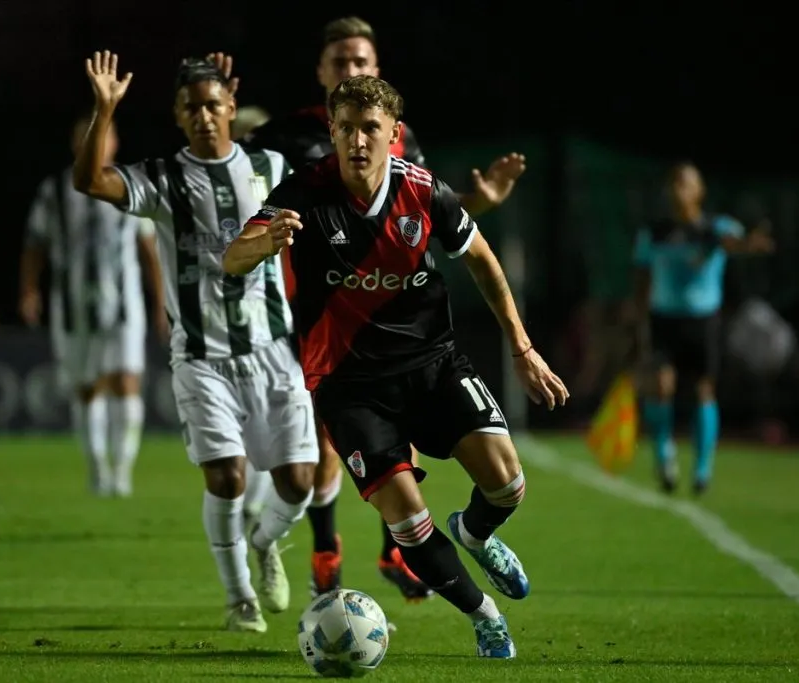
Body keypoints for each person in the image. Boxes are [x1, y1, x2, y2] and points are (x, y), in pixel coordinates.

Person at [224, 75, 568, 658]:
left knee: (508, 483)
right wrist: (264, 243)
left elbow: (482, 261)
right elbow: (234, 256)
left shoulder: (425, 191)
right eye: (346, 129)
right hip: (350, 385)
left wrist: (522, 347)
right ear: (331, 132)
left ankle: (475, 533)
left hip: (432, 365)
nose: (358, 140)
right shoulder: (302, 193)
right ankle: (484, 616)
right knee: (406, 517)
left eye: (370, 129)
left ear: (393, 135)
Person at [72, 51, 318, 633]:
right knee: (227, 476)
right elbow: (89, 180)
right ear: (178, 117)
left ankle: (264, 544)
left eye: (213, 104)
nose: (204, 115)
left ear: (231, 107)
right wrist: (105, 111)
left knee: (298, 483)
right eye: (192, 108)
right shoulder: (161, 177)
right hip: (202, 357)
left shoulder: (273, 166)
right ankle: (240, 601)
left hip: (274, 350)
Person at [21, 112, 165, 497]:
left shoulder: (129, 185)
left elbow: (148, 249)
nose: (95, 143)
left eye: (103, 136)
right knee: (88, 387)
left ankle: (122, 471)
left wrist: (160, 302)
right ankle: (98, 469)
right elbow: (35, 243)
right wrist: (29, 290)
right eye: (86, 137)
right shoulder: (55, 190)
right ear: (75, 144)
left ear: (114, 141)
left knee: (126, 380)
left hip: (124, 302)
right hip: (72, 305)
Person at [632, 162, 774, 495]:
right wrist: (638, 324)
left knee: (702, 390)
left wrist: (750, 244)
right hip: (664, 319)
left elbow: (734, 243)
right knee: (661, 385)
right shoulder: (654, 233)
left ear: (700, 191)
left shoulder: (717, 228)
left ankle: (702, 468)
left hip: (704, 321)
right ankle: (665, 456)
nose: (679, 189)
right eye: (674, 183)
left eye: (686, 183)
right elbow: (641, 278)